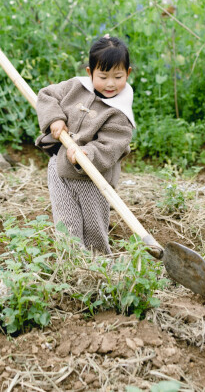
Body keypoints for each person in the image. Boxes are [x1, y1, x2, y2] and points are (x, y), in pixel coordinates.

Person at [34, 35, 135, 254]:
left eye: (118, 77)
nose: (110, 83)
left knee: (93, 229)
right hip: (59, 170)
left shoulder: (120, 113)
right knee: (66, 223)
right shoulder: (74, 87)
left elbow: (112, 145)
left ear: (127, 73)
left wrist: (87, 153)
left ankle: (98, 265)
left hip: (93, 179)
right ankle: (71, 261)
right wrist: (56, 119)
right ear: (90, 73)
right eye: (103, 76)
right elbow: (47, 95)